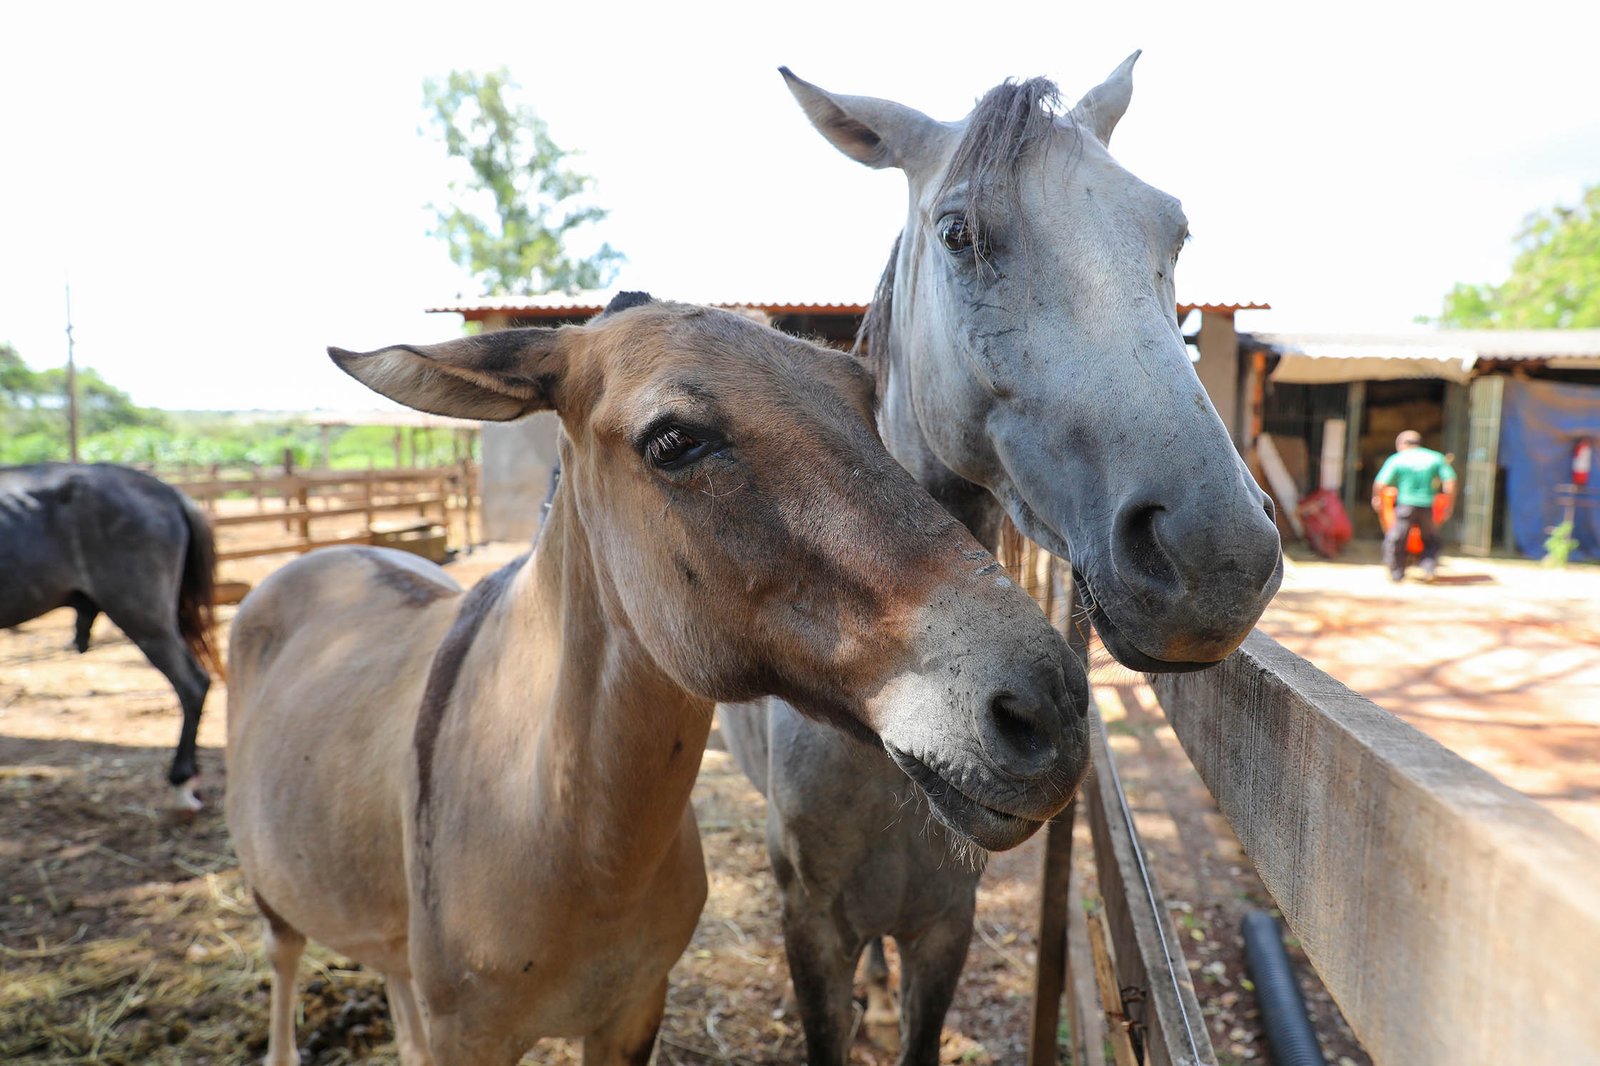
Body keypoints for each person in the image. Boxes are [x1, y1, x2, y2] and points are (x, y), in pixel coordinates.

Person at [1371, 430, 1457, 582]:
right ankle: (1428, 568)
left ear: (1402, 444)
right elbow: (1450, 482)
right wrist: (1449, 504)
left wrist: (1376, 499)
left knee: (1397, 539)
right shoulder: (1436, 457)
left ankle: (1397, 573)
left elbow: (1380, 483)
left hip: (1406, 505)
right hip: (1428, 506)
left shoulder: (1398, 459)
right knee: (1430, 539)